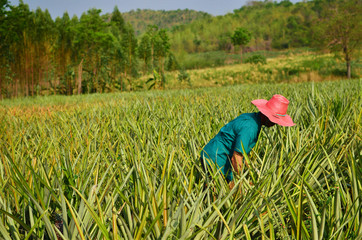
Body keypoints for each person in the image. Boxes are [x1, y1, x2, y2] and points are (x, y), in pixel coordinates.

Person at [200, 94, 295, 189]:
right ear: (266, 115)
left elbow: (241, 150)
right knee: (214, 192)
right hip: (215, 159)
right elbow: (237, 156)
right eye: (275, 120)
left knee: (219, 190)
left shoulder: (250, 117)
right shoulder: (250, 128)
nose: (275, 124)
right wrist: (238, 182)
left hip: (214, 153)